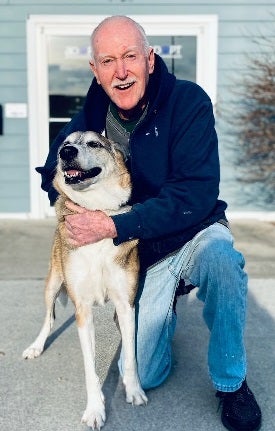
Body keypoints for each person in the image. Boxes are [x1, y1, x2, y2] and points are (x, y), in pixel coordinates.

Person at [37, 15, 262, 431]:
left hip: (193, 231)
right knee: (148, 372)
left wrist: (113, 226)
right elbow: (56, 167)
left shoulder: (188, 102)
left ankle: (232, 383)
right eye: (108, 61)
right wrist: (65, 205)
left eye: (129, 57)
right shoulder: (91, 114)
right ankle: (167, 302)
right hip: (147, 252)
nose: (120, 72)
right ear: (96, 71)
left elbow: (196, 192)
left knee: (222, 261)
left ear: (150, 59)